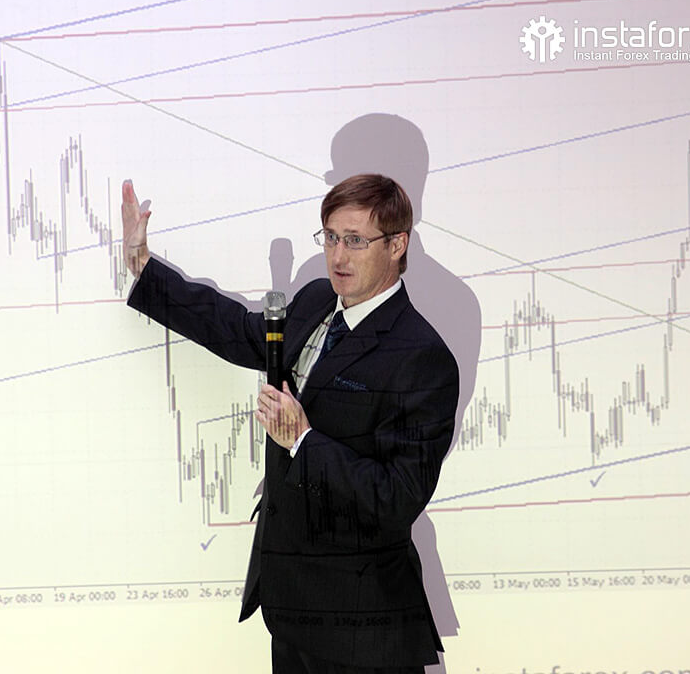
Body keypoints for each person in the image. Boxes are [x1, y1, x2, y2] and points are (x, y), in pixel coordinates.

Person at [123, 173, 459, 673]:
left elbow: (397, 499)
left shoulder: (422, 357)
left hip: (362, 624)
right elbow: (239, 331)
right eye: (330, 237)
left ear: (396, 245)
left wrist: (303, 440)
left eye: (355, 241)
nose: (338, 256)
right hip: (291, 607)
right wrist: (144, 265)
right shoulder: (316, 300)